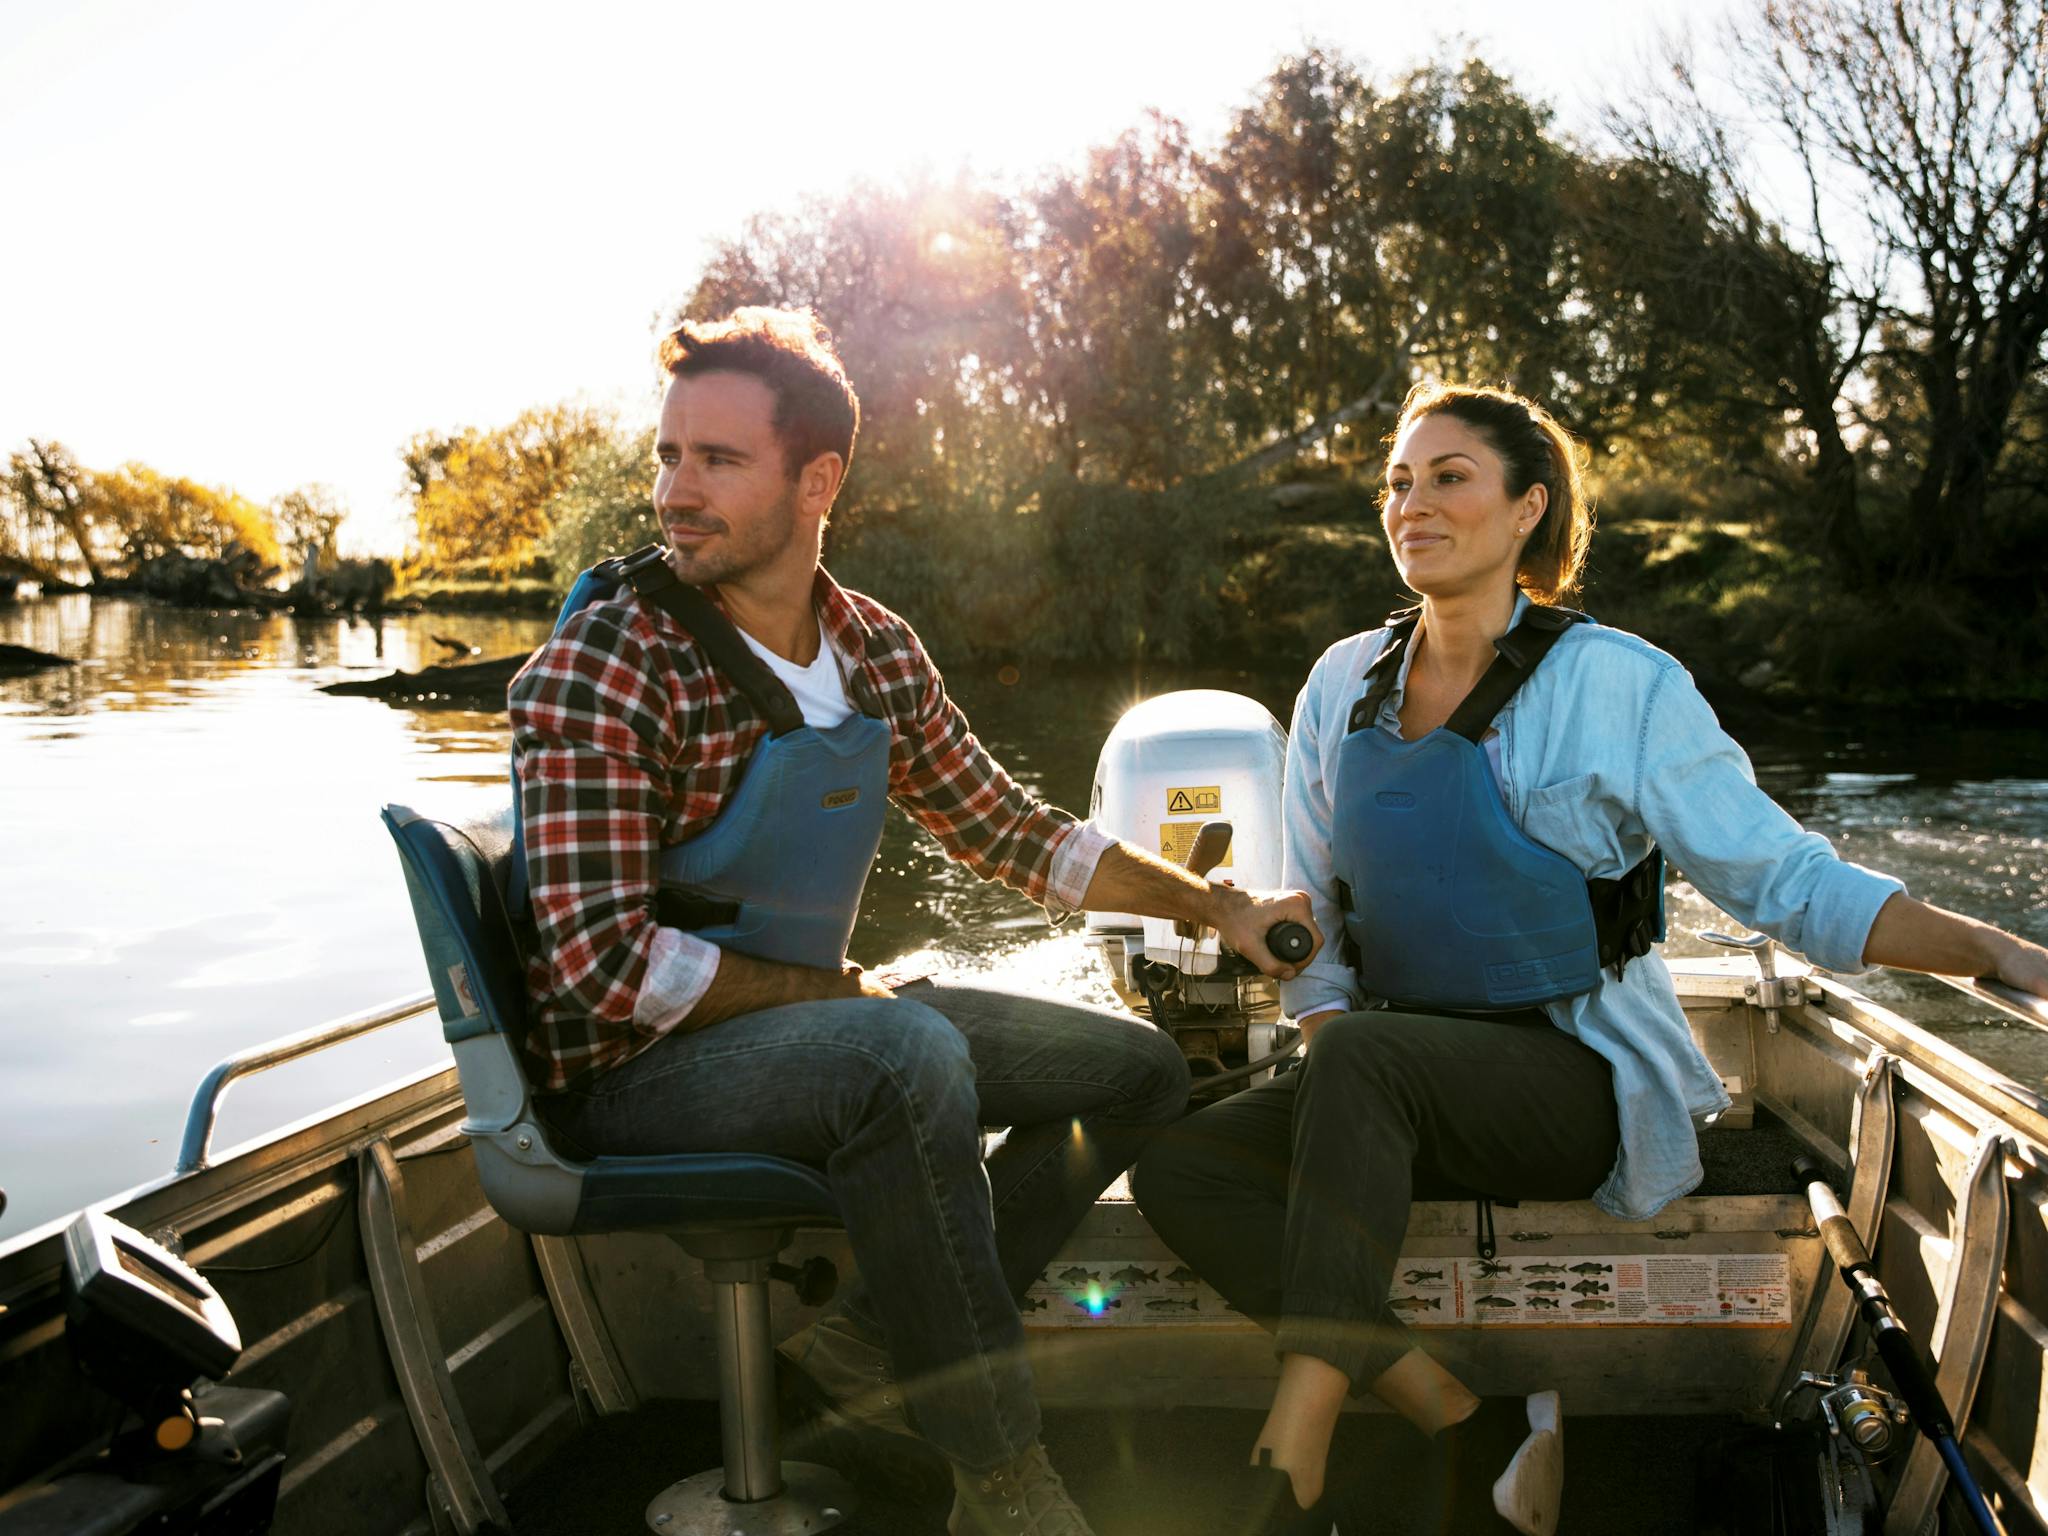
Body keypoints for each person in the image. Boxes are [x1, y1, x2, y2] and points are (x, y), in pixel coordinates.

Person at [1131, 382, 2048, 1536]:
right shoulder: (1335, 684)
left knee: (1359, 1059)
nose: (1409, 504)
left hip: (1570, 1077)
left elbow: (1789, 885)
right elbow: (1315, 915)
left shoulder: (1623, 686)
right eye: (1395, 484)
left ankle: (1293, 1445)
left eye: (1446, 477)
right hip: (1385, 1074)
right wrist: (1323, 1059)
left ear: (1527, 509)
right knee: (1182, 1163)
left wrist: (1997, 952)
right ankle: (1455, 1409)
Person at [507, 305, 1318, 1536]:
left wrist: (1218, 904)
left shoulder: (872, 648)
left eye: (717, 460)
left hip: (812, 1032)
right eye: (668, 455)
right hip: (628, 1076)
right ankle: (999, 1478)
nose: (676, 489)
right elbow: (598, 968)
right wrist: (830, 998)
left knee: (1141, 1073)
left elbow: (1009, 832)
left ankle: (872, 1342)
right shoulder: (607, 662)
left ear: (817, 478)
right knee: (904, 1049)